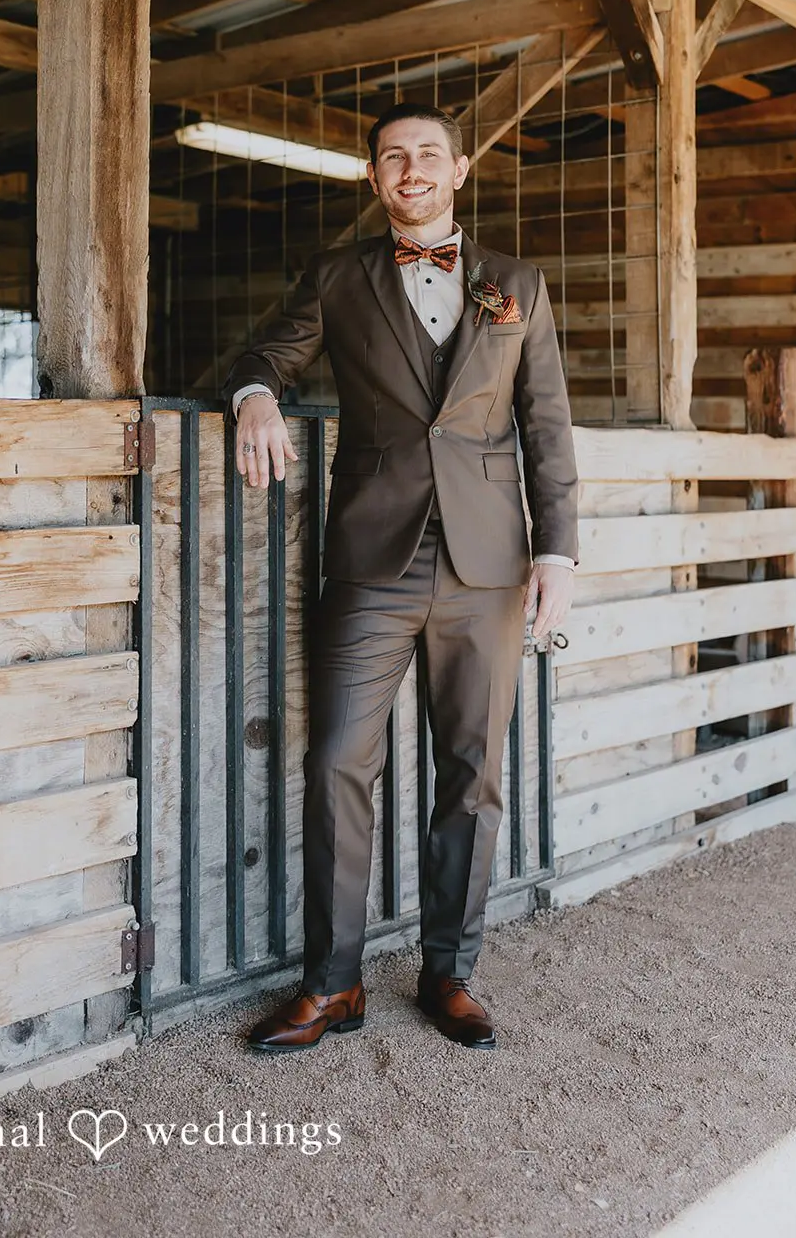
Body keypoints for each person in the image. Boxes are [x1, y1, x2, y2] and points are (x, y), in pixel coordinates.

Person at [223, 103, 578, 1053]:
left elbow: (545, 427)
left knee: (471, 772)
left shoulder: (518, 286)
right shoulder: (338, 277)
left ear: (458, 170)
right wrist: (256, 396)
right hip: (372, 561)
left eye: (427, 154)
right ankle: (333, 987)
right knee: (337, 759)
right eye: (392, 158)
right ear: (374, 178)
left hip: (489, 565)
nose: (410, 169)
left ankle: (449, 973)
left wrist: (558, 553)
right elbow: (266, 353)